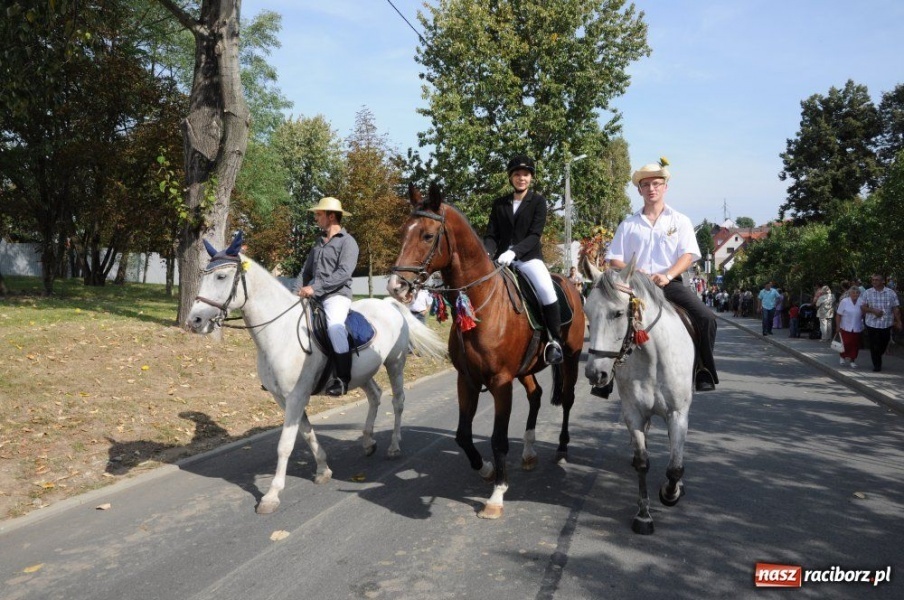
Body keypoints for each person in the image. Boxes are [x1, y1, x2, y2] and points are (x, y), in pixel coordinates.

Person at [605, 159, 718, 391]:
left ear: (665, 187)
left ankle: (703, 370)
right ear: (639, 190)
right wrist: (636, 272)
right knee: (608, 318)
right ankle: (605, 377)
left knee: (707, 318)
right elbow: (614, 259)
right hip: (635, 287)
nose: (651, 189)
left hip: (669, 285)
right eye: (646, 185)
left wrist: (668, 274)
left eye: (656, 183)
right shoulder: (628, 225)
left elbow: (688, 255)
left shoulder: (680, 220)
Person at [484, 155, 563, 364]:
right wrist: (487, 253)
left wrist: (514, 252)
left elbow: (534, 235)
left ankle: (554, 340)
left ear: (531, 178)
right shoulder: (499, 204)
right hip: (500, 259)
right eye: (517, 174)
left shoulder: (538, 201)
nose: (521, 178)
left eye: (526, 174)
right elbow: (491, 234)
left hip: (528, 258)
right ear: (510, 178)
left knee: (546, 289)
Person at [296, 196, 359, 396]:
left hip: (337, 296)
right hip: (314, 295)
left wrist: (315, 288)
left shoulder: (348, 242)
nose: (316, 218)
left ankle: (342, 379)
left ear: (331, 217)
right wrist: (295, 292)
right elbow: (305, 273)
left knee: (334, 328)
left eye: (319, 214)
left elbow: (343, 273)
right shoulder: (318, 243)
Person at [860, 274, 902, 372]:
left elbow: (895, 308)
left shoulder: (891, 293)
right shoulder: (867, 292)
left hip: (886, 324)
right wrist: (873, 310)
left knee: (883, 343)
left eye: (876, 280)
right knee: (874, 344)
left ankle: (878, 355)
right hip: (872, 324)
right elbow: (863, 307)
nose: (874, 282)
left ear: (882, 281)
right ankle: (877, 365)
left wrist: (899, 321)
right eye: (873, 280)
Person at [835, 286, 864, 368]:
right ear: (850, 293)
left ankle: (852, 360)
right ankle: (842, 356)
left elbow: (863, 313)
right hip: (845, 326)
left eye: (857, 293)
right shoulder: (844, 301)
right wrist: (837, 326)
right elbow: (838, 315)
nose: (855, 294)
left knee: (855, 345)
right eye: (853, 292)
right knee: (845, 344)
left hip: (857, 327)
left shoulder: (861, 302)